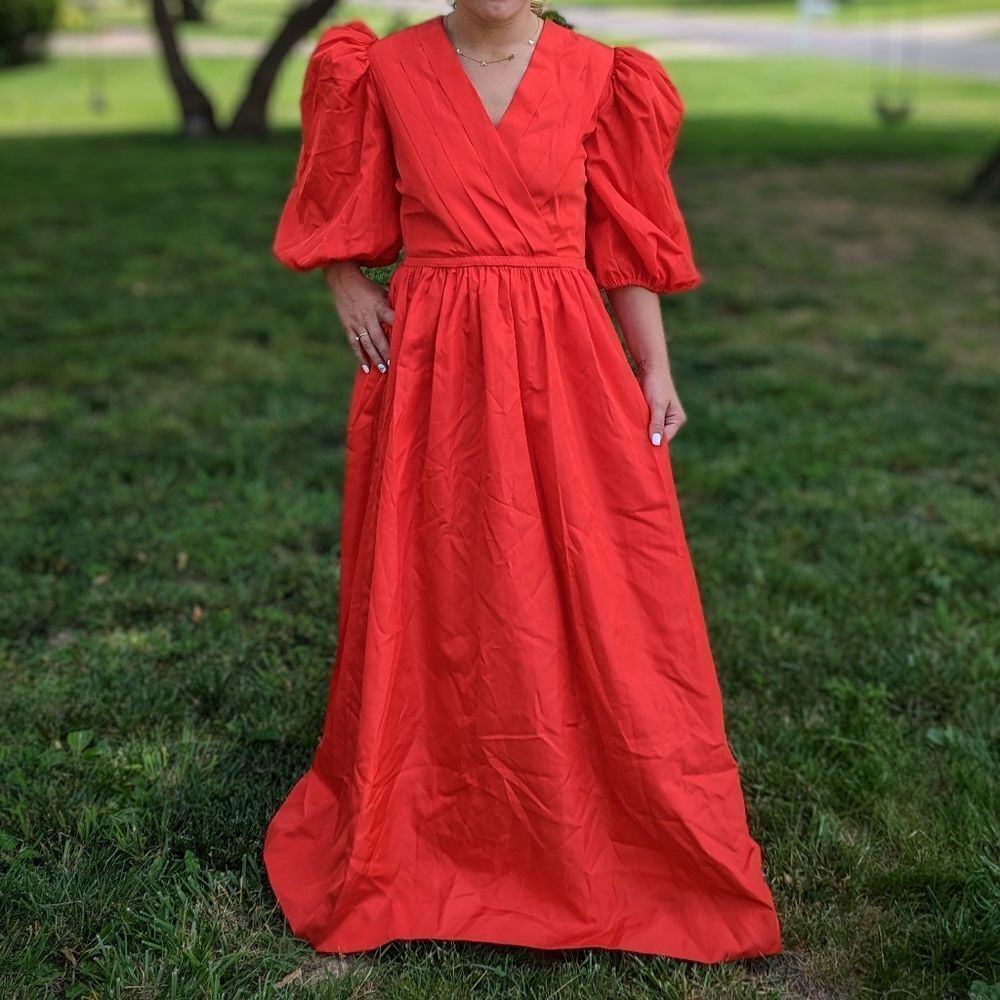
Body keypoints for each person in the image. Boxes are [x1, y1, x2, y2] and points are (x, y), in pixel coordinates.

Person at [263, 0, 783, 963]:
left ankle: (589, 810)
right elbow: (346, 193)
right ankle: (440, 813)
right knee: (439, 582)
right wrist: (343, 279)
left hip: (563, 358)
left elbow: (620, 242)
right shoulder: (384, 70)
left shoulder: (600, 76)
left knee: (597, 576)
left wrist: (656, 367)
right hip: (433, 362)